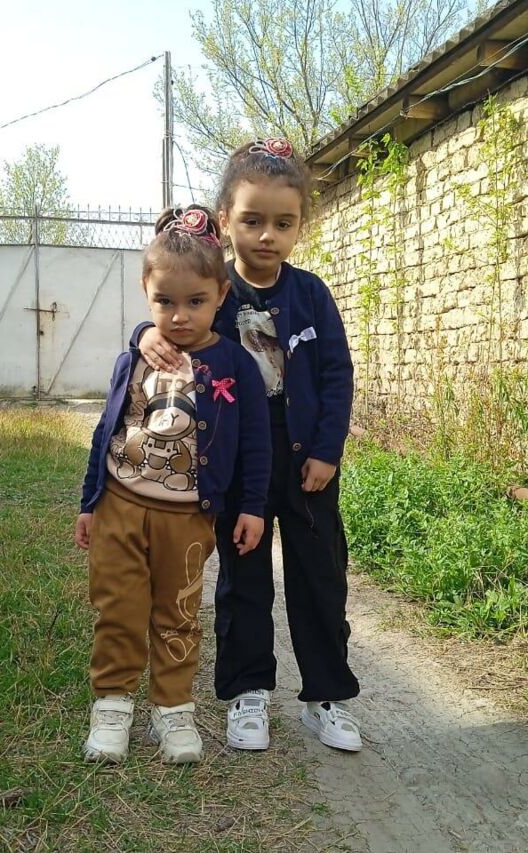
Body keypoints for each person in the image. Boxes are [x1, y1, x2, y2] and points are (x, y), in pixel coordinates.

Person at [139, 139, 362, 753]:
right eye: (252, 220)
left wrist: (328, 449)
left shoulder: (311, 294)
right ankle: (248, 693)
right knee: (243, 580)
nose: (268, 236)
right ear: (225, 220)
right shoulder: (215, 293)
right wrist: (142, 336)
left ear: (300, 225)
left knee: (321, 577)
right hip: (238, 465)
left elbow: (337, 374)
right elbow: (170, 316)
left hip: (308, 462)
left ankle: (327, 696)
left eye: (283, 223)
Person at [75, 206, 271, 765]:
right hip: (120, 506)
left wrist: (252, 507)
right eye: (164, 302)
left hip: (187, 518)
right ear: (146, 292)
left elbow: (256, 442)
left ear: (221, 294)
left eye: (195, 302)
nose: (179, 316)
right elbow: (107, 429)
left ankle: (172, 709)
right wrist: (90, 501)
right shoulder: (136, 356)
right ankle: (112, 705)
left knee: (178, 613)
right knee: (118, 608)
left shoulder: (236, 363)